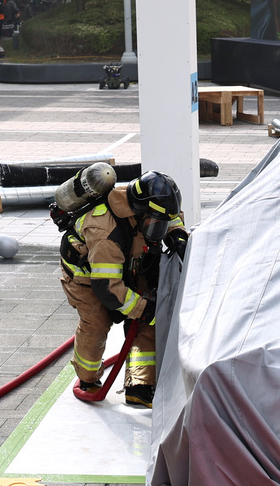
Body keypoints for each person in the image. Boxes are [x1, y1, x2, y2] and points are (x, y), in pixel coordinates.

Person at [59, 170, 185, 407]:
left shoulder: (145, 208)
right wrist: (142, 308)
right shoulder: (105, 231)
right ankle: (87, 378)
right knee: (97, 323)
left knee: (149, 312)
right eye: (154, 224)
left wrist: (177, 232)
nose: (157, 230)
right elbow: (107, 288)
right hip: (86, 278)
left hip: (123, 264)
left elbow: (171, 215)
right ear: (138, 211)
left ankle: (140, 384)